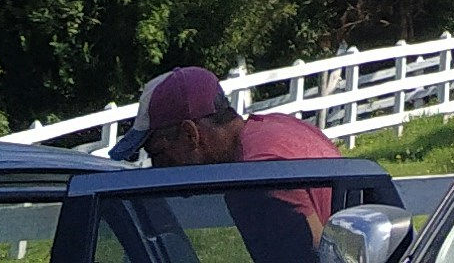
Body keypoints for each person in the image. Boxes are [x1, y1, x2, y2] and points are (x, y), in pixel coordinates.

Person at [134, 66, 342, 263]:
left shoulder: (256, 180)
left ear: (191, 134)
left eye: (158, 153)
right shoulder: (278, 127)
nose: (156, 167)